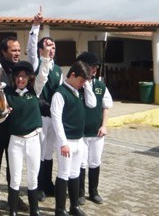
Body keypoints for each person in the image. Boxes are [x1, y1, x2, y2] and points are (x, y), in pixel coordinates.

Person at [0, 36, 29, 214]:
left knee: (14, 163)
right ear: (3, 51)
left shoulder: (20, 70)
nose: (17, 53)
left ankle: (13, 197)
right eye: (13, 50)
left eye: (18, 50)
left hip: (14, 126)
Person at [51, 61, 96, 216]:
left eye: (85, 82)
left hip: (79, 140)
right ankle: (60, 209)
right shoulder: (60, 93)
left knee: (75, 173)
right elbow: (56, 119)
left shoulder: (80, 91)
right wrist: (63, 143)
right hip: (67, 141)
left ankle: (74, 206)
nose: (83, 84)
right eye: (81, 81)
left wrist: (87, 86)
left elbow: (92, 103)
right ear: (72, 75)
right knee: (64, 173)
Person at [28, 8, 63, 200]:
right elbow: (32, 45)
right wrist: (36, 25)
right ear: (42, 50)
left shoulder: (58, 69)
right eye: (48, 45)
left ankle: (48, 184)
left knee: (49, 150)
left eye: (54, 46)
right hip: (40, 115)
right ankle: (38, 186)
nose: (51, 48)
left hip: (53, 116)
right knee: (39, 151)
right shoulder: (36, 62)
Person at [76, 52, 113, 205]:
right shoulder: (76, 87)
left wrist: (104, 125)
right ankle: (80, 193)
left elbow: (106, 107)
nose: (95, 69)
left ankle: (94, 191)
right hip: (81, 133)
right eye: (92, 67)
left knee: (95, 161)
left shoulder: (100, 86)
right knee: (81, 163)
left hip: (96, 133)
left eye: (96, 67)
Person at [6, 61, 42, 216]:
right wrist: (4, 113)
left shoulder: (35, 91)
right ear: (14, 78)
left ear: (29, 78)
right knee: (15, 178)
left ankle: (34, 210)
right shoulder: (8, 95)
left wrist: (45, 57)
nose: (20, 80)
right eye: (18, 77)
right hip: (15, 142)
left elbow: (43, 75)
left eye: (24, 77)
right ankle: (13, 211)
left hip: (33, 141)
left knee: (33, 178)